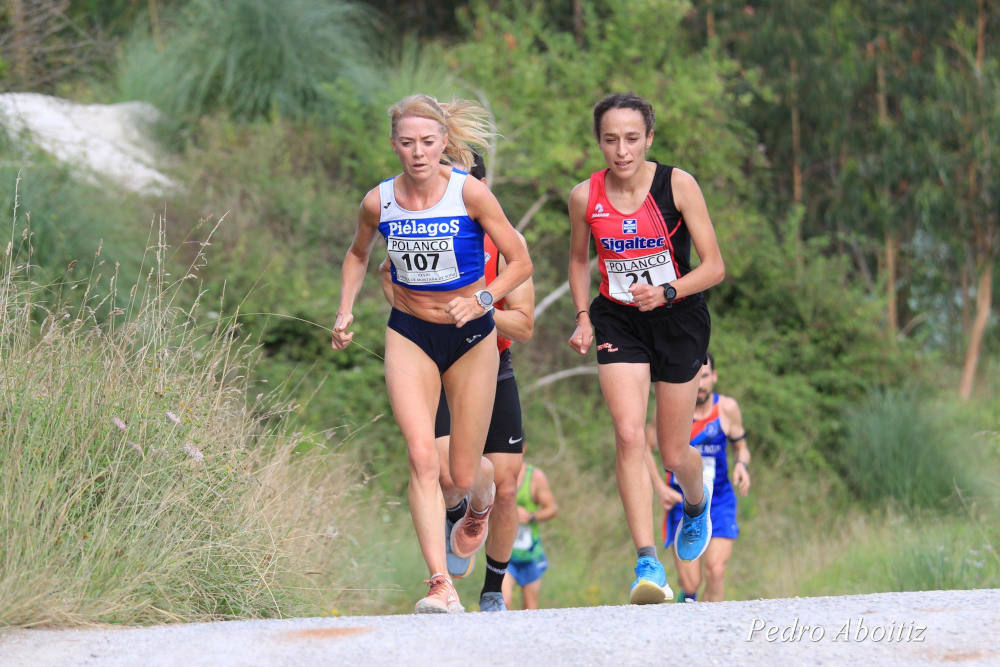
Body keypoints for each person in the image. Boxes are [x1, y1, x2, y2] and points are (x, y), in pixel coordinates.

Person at [332, 94, 532, 614]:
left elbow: (520, 259)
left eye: (427, 142)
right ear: (393, 145)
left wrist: (485, 299)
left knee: (460, 475)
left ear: (444, 143)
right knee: (422, 458)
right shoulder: (379, 201)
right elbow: (358, 254)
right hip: (410, 333)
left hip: (470, 339)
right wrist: (345, 310)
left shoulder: (470, 194)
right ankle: (440, 584)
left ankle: (478, 504)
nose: (417, 152)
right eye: (406, 142)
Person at [566, 92, 725, 605]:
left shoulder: (676, 185)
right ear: (599, 142)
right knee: (631, 435)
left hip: (678, 316)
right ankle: (646, 560)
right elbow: (577, 261)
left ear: (648, 138)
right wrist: (584, 316)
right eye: (610, 139)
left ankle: (695, 502)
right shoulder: (583, 196)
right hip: (619, 318)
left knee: (674, 450)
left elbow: (714, 266)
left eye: (632, 138)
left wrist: (669, 290)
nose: (621, 150)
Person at [378, 152, 536, 612]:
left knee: (506, 485)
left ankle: (493, 588)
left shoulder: (505, 242)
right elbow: (395, 292)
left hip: (492, 365)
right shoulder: (416, 225)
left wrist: (478, 306)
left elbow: (524, 326)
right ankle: (458, 519)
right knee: (448, 471)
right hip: (439, 364)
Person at [644, 353, 750, 602]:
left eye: (704, 377)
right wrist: (660, 487)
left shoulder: (726, 409)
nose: (700, 384)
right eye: (694, 377)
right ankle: (688, 606)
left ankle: (714, 630)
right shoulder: (669, 409)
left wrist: (742, 465)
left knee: (716, 570)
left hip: (720, 500)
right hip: (682, 503)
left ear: (714, 377)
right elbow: (643, 446)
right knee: (691, 582)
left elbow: (741, 447)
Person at [502, 451, 558, 610]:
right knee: (504, 601)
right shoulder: (498, 472)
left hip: (530, 553)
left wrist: (532, 516)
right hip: (505, 554)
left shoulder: (535, 477)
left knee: (530, 609)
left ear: (524, 448)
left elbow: (552, 508)